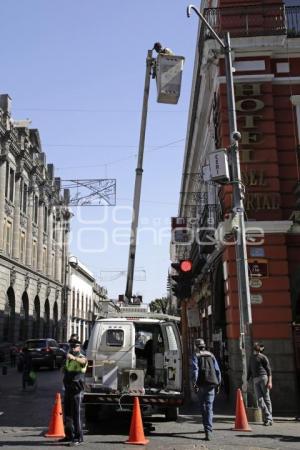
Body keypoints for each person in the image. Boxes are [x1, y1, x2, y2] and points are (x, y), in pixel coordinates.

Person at [192, 338, 221, 441]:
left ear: (196, 346)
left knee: (203, 407)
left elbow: (195, 370)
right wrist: (218, 384)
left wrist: (194, 384)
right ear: (204, 345)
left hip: (201, 384)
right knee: (209, 407)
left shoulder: (196, 355)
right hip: (211, 384)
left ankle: (206, 428)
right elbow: (217, 370)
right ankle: (208, 430)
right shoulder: (211, 355)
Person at [60, 339, 87, 446]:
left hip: (76, 390)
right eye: (71, 346)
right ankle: (68, 435)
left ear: (79, 347)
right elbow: (67, 369)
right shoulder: (68, 357)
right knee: (67, 414)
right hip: (68, 388)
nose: (72, 348)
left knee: (76, 414)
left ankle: (78, 438)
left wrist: (74, 358)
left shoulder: (81, 356)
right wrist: (64, 369)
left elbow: (84, 361)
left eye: (74, 346)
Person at [246, 342, 273, 426]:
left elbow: (269, 371)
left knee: (266, 398)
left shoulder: (263, 357)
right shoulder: (251, 358)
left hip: (263, 378)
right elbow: (249, 370)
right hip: (255, 380)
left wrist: (270, 381)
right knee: (260, 400)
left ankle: (268, 418)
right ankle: (269, 417)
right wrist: (247, 380)